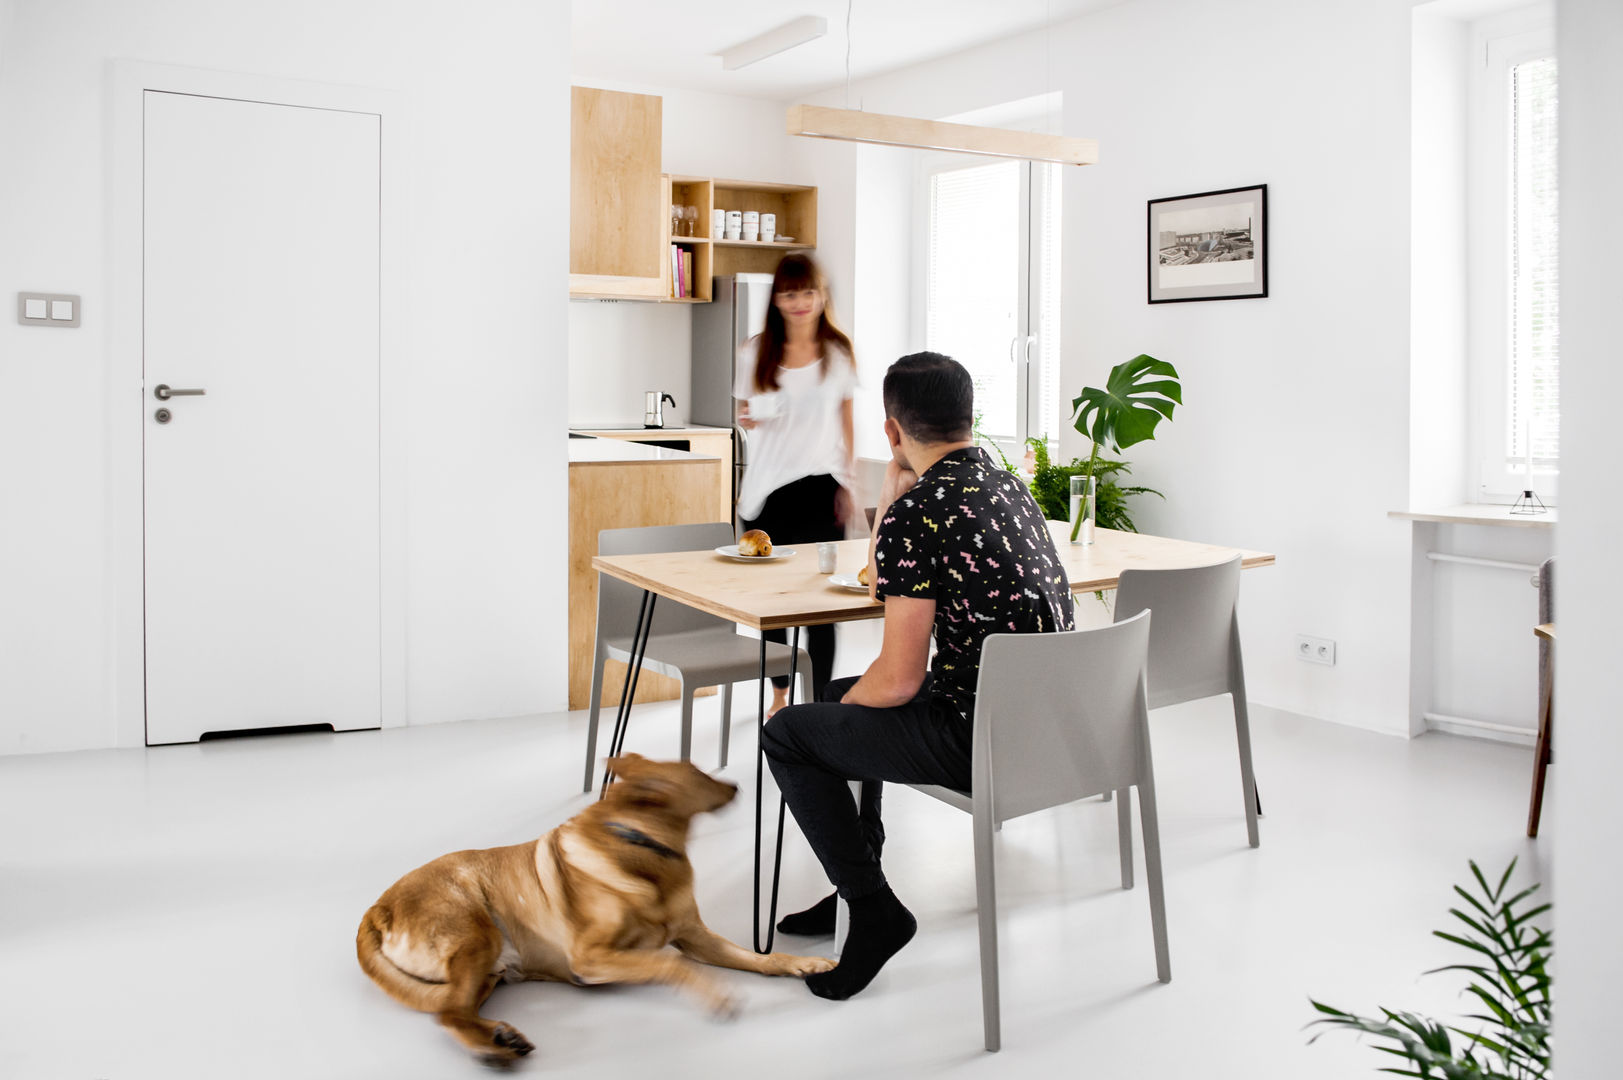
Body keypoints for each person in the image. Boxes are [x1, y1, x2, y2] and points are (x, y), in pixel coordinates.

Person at [761, 351, 1076, 1001]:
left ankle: (873, 909)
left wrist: (890, 500)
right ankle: (858, 877)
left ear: (891, 429)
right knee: (834, 697)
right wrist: (891, 496)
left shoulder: (921, 511)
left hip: (979, 735)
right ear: (969, 417)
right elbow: (885, 590)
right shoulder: (1008, 485)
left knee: (789, 731)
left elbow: (900, 681)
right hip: (1048, 723)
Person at [735, 253, 857, 709]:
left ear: (821, 294)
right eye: (790, 293)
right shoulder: (754, 351)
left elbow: (846, 421)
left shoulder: (838, 353)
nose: (801, 302)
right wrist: (749, 417)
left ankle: (821, 703)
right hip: (767, 493)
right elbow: (744, 414)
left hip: (823, 488)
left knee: (824, 607)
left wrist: (850, 484)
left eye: (808, 291)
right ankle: (781, 696)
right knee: (775, 604)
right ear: (777, 300)